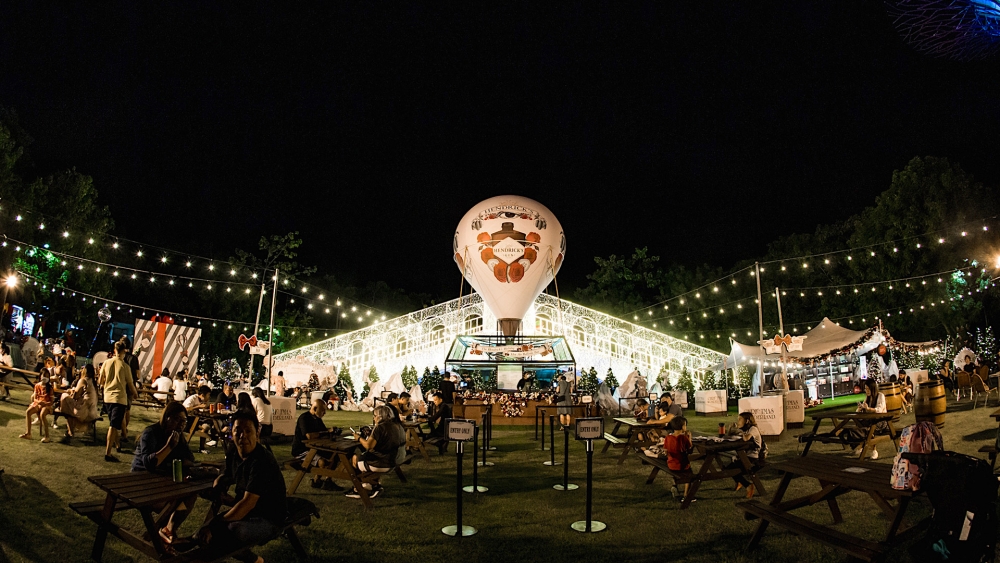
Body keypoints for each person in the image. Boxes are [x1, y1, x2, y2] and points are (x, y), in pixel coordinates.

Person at [197, 411, 286, 563]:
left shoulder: (262, 461)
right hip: (249, 514)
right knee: (205, 532)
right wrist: (218, 484)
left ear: (257, 432)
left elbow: (248, 503)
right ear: (232, 431)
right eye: (238, 430)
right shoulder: (234, 452)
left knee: (228, 531)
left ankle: (255, 561)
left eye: (248, 431)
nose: (242, 435)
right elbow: (229, 475)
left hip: (269, 518)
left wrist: (215, 523)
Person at [131, 402, 198, 546]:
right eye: (177, 419)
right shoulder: (151, 433)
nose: (180, 424)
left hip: (161, 478)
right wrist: (169, 447)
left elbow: (190, 459)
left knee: (191, 494)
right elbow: (149, 464)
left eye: (184, 421)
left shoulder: (179, 436)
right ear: (167, 417)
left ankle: (168, 530)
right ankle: (157, 534)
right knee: (173, 501)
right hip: (141, 481)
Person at [346, 405, 406, 499]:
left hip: (383, 462)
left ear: (380, 416)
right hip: (397, 459)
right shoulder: (397, 425)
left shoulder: (380, 428)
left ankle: (359, 489)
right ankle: (369, 485)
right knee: (366, 456)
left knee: (354, 458)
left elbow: (368, 446)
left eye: (374, 415)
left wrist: (358, 438)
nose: (373, 418)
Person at [100, 340, 139, 462]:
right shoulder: (125, 366)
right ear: (124, 350)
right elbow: (131, 384)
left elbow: (100, 380)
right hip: (119, 398)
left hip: (107, 398)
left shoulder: (106, 363)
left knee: (114, 423)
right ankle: (108, 453)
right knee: (113, 426)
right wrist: (135, 394)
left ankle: (117, 445)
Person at [292, 399, 343, 491]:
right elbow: (309, 436)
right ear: (315, 409)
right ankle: (318, 481)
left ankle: (325, 481)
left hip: (314, 447)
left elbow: (323, 431)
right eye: (323, 410)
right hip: (301, 450)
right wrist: (327, 432)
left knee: (334, 456)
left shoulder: (317, 419)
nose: (325, 413)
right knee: (322, 462)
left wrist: (332, 432)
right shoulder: (304, 418)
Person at [726, 412, 765, 499]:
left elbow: (746, 438)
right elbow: (730, 436)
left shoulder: (753, 429)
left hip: (752, 459)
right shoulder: (747, 430)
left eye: (740, 419)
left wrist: (740, 431)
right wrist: (731, 428)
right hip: (745, 456)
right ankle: (740, 481)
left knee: (730, 469)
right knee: (728, 468)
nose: (738, 421)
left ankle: (748, 485)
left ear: (747, 421)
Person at [58, 364, 100, 440]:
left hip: (84, 411)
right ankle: (70, 430)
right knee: (69, 406)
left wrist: (71, 390)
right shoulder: (93, 382)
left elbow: (75, 396)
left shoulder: (83, 380)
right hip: (92, 411)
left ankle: (70, 431)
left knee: (64, 397)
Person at [854, 378, 887, 459]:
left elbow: (879, 410)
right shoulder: (867, 398)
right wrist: (860, 408)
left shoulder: (880, 396)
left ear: (872, 388)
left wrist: (869, 409)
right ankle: (862, 446)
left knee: (869, 428)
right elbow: (858, 411)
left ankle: (868, 448)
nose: (866, 391)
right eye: (865, 389)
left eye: (868, 389)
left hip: (881, 421)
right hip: (870, 420)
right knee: (860, 423)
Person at [663, 416, 693, 501]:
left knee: (676, 473)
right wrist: (689, 437)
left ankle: (674, 485)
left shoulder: (668, 437)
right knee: (690, 476)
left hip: (671, 464)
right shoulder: (683, 438)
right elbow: (689, 448)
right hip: (682, 465)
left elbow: (665, 449)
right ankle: (686, 495)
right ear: (683, 426)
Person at [20, 373, 54, 443]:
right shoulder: (37, 385)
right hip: (38, 403)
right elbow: (35, 398)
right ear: (40, 376)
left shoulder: (50, 388)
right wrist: (39, 402)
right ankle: (28, 433)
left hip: (47, 405)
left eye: (47, 376)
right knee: (28, 412)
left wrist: (45, 403)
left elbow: (51, 402)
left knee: (42, 415)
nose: (45, 378)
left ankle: (47, 436)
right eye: (44, 375)